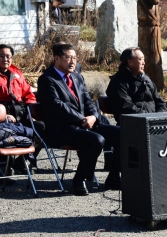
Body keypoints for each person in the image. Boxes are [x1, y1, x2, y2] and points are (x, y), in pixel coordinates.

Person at [37, 43, 121, 195]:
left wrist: (94, 117)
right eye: (68, 57)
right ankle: (79, 180)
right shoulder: (47, 79)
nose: (72, 62)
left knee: (123, 134)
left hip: (85, 124)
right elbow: (56, 106)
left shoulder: (77, 77)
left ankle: (114, 178)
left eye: (75, 58)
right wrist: (83, 119)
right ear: (56, 58)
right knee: (96, 140)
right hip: (63, 128)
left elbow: (88, 100)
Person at [0, 44, 42, 170]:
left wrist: (31, 110)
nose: (5, 59)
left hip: (20, 113)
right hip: (0, 116)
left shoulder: (16, 74)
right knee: (5, 132)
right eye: (2, 56)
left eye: (8, 56)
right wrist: (2, 115)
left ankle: (22, 161)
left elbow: (28, 94)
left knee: (41, 129)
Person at [106, 47, 167, 124]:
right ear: (130, 62)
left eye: (143, 59)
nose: (143, 63)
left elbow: (160, 102)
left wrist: (161, 116)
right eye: (140, 59)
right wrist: (150, 117)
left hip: (153, 123)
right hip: (133, 126)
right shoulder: (118, 82)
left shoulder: (145, 79)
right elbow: (126, 108)